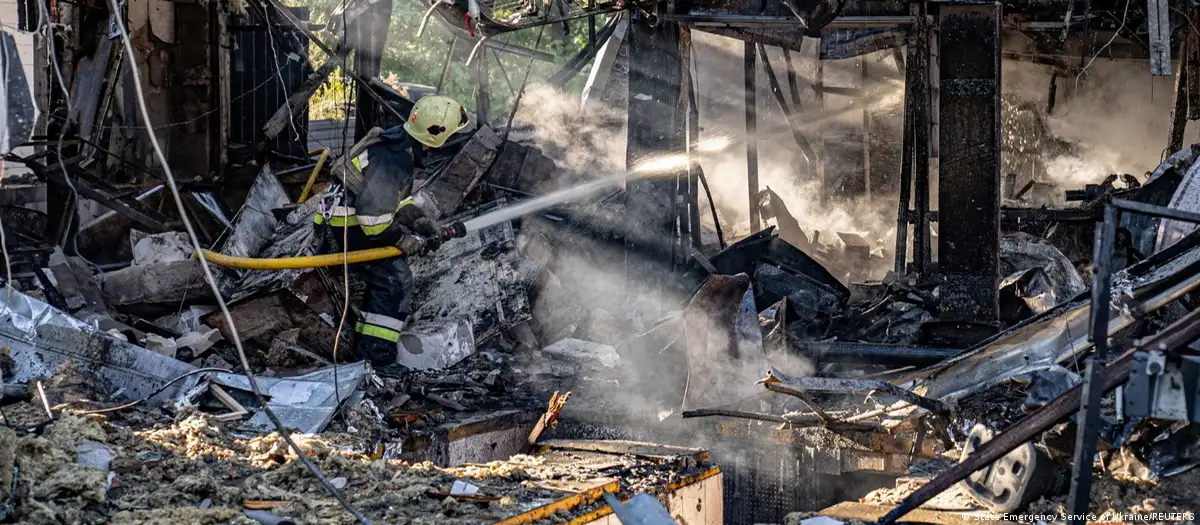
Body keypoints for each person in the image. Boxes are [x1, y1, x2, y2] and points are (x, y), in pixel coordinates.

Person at [314, 95, 471, 367]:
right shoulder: (395, 159)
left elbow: (393, 200)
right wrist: (403, 240)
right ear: (435, 138)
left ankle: (364, 342)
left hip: (341, 220)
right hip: (346, 228)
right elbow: (372, 220)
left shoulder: (399, 143)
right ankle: (376, 357)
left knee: (386, 276)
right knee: (396, 280)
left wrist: (419, 220)